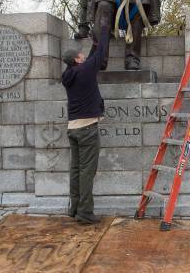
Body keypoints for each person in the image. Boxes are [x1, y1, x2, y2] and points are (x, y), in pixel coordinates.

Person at [61, 17, 109, 224]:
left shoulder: (69, 74)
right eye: (81, 54)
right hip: (88, 129)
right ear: (78, 60)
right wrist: (105, 30)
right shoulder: (86, 70)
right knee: (87, 172)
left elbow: (91, 58)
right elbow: (100, 55)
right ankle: (85, 213)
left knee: (76, 170)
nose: (83, 56)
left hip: (73, 128)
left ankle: (74, 208)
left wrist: (94, 43)